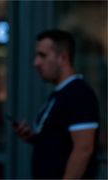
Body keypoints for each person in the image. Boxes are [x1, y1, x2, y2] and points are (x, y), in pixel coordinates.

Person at [14, 30, 99, 179]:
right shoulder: (60, 94)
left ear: (63, 58)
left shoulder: (79, 93)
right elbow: (59, 143)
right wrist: (33, 137)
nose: (36, 62)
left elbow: (84, 149)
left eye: (43, 55)